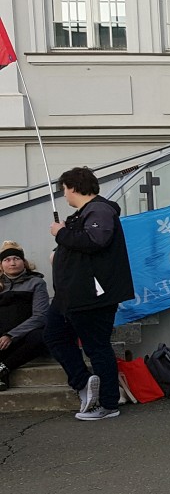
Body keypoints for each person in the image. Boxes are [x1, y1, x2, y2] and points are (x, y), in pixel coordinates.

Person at [43, 166, 135, 421]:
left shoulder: (100, 210)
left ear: (73, 187)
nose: (64, 195)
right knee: (53, 335)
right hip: (70, 295)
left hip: (91, 295)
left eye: (64, 190)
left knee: (97, 347)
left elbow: (94, 241)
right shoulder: (83, 214)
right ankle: (84, 382)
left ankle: (108, 403)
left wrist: (61, 233)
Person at [0, 241, 49, 390]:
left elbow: (41, 316)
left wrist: (11, 335)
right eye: (7, 260)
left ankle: (4, 367)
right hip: (1, 337)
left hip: (24, 335)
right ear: (1, 265)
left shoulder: (36, 282)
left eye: (16, 258)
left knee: (41, 337)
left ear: (24, 262)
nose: (12, 263)